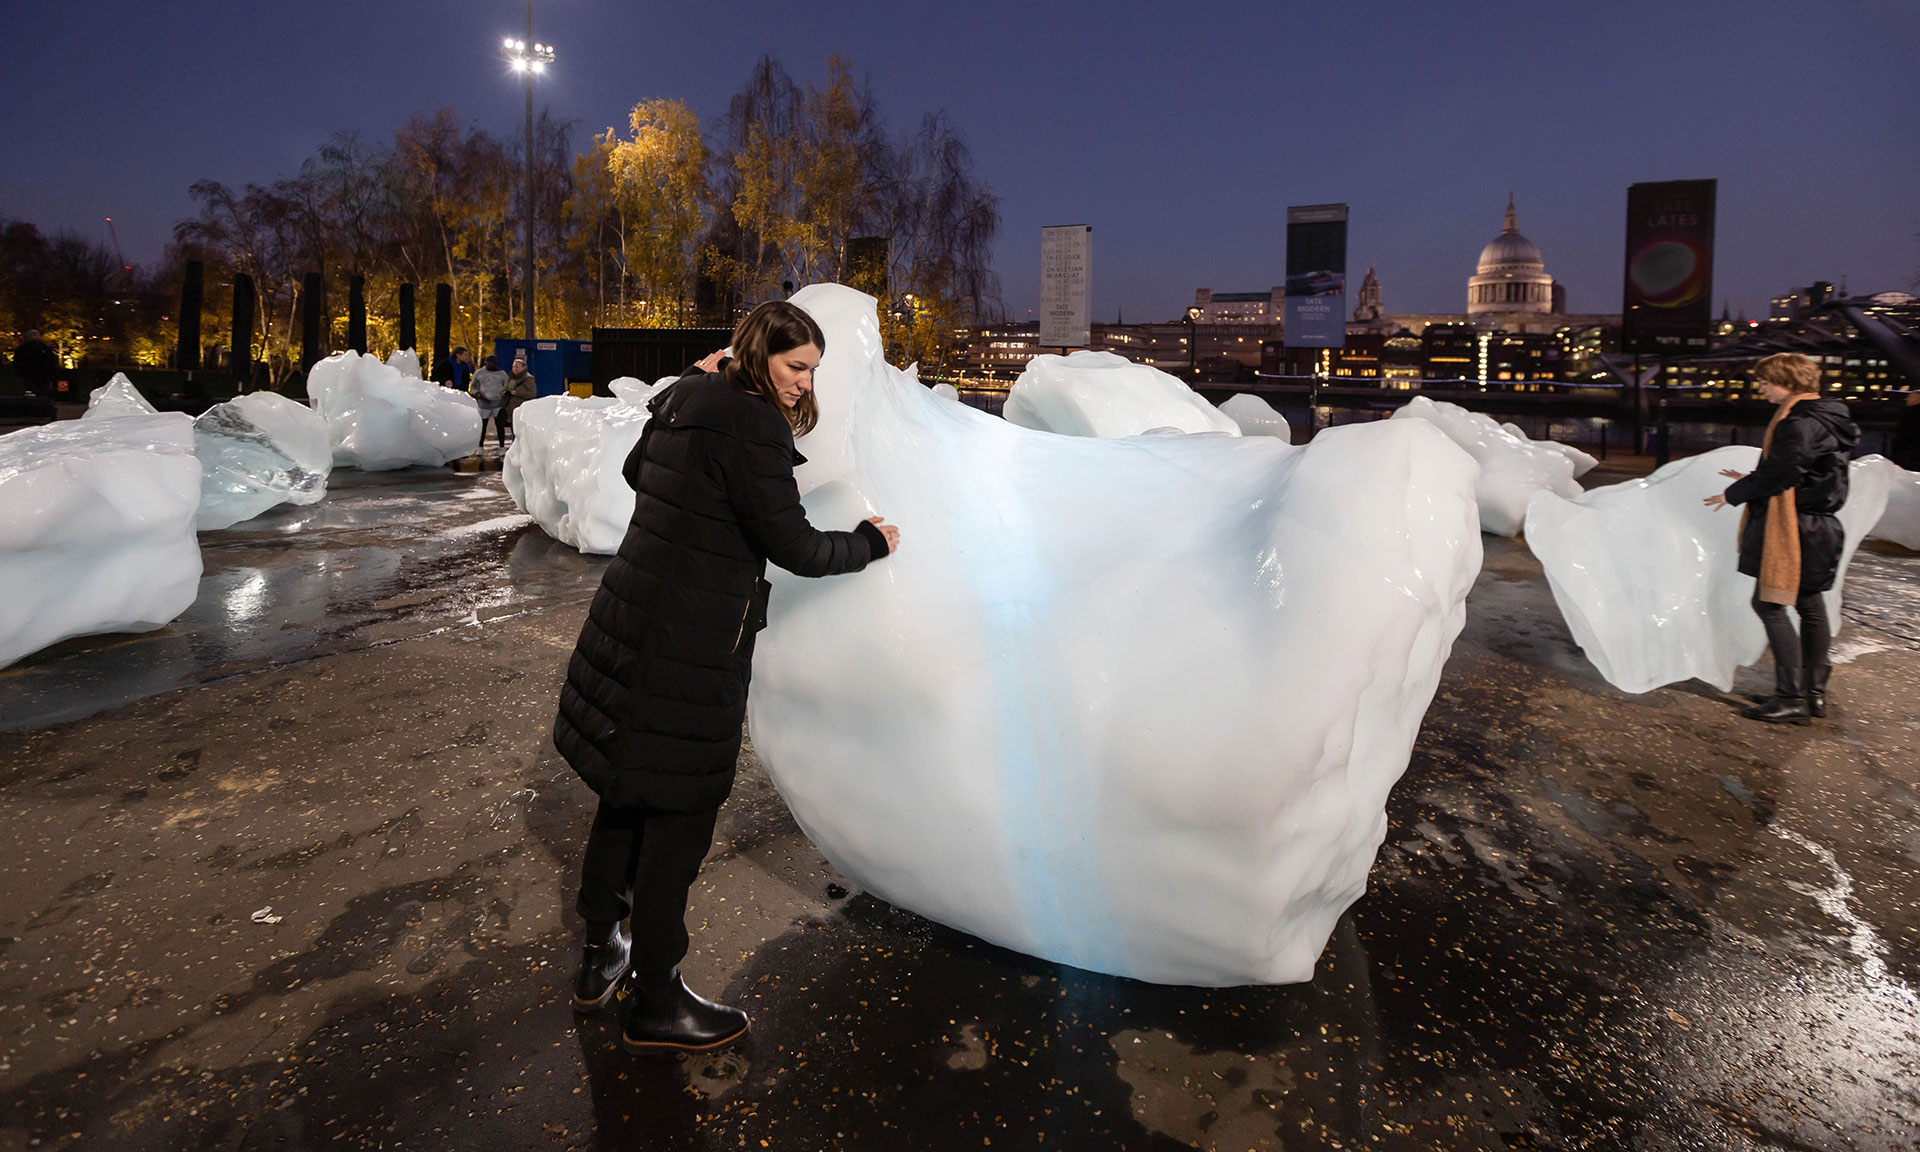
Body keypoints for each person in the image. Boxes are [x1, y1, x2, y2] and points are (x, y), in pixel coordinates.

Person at [552, 300, 900, 1053]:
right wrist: (868, 543)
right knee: (678, 814)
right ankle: (656, 998)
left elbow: (637, 469)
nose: (805, 384)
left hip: (628, 623)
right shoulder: (752, 423)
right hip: (689, 646)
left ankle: (597, 958)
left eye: (812, 369)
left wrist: (684, 382)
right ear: (757, 354)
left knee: (625, 794)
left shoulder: (689, 396)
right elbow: (794, 545)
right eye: (794, 365)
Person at [1705, 352, 1858, 723]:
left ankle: (1790, 697)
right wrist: (1753, 475)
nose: (1761, 389)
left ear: (1787, 382)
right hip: (1816, 524)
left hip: (1794, 527)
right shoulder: (1828, 417)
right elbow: (1805, 470)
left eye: (1766, 382)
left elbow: (1784, 472)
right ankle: (1813, 694)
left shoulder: (1799, 421)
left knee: (1769, 604)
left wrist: (1735, 493)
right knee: (1809, 606)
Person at [470, 354, 510, 448]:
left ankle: (502, 446)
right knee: (483, 426)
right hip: (484, 403)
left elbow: (507, 386)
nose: (491, 364)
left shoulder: (502, 373)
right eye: (489, 362)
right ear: (485, 362)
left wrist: (504, 394)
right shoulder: (479, 373)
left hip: (498, 403)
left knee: (499, 425)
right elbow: (473, 386)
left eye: (494, 363)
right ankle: (480, 446)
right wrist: (477, 394)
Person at [10, 330, 58, 398]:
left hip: (42, 376)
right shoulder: (23, 349)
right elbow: (17, 362)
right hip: (30, 376)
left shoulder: (45, 348)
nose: (35, 337)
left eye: (36, 335)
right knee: (32, 393)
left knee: (42, 394)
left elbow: (52, 361)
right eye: (33, 335)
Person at [501, 354, 537, 443]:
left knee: (519, 433)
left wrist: (517, 393)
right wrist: (504, 393)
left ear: (523, 368)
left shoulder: (528, 379)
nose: (514, 369)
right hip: (510, 409)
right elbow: (504, 388)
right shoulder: (510, 377)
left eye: (517, 367)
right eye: (513, 367)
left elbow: (533, 393)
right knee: (513, 431)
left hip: (521, 410)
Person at [1888, 389, 1920, 471]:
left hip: (1909, 454)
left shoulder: (1910, 413)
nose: (1906, 399)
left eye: (1910, 397)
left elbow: (1904, 434)